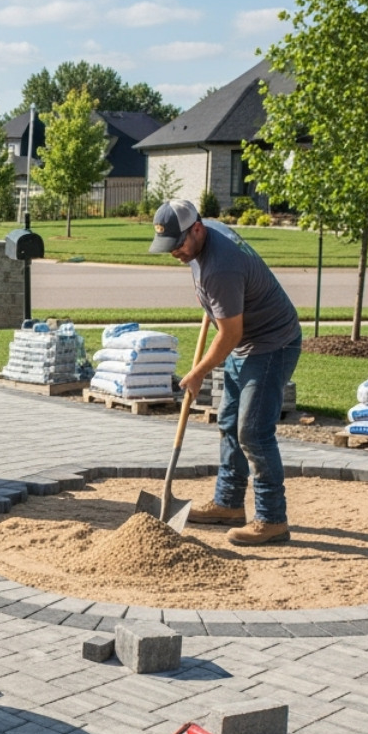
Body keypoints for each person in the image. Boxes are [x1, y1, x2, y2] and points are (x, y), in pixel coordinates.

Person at [153, 199, 302, 546]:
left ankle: (272, 519)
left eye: (178, 244)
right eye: (168, 245)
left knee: (253, 431)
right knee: (229, 420)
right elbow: (227, 319)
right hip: (246, 341)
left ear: (198, 229)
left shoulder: (220, 268)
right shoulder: (204, 243)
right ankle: (228, 504)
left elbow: (230, 334)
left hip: (271, 343)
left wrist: (198, 372)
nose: (174, 252)